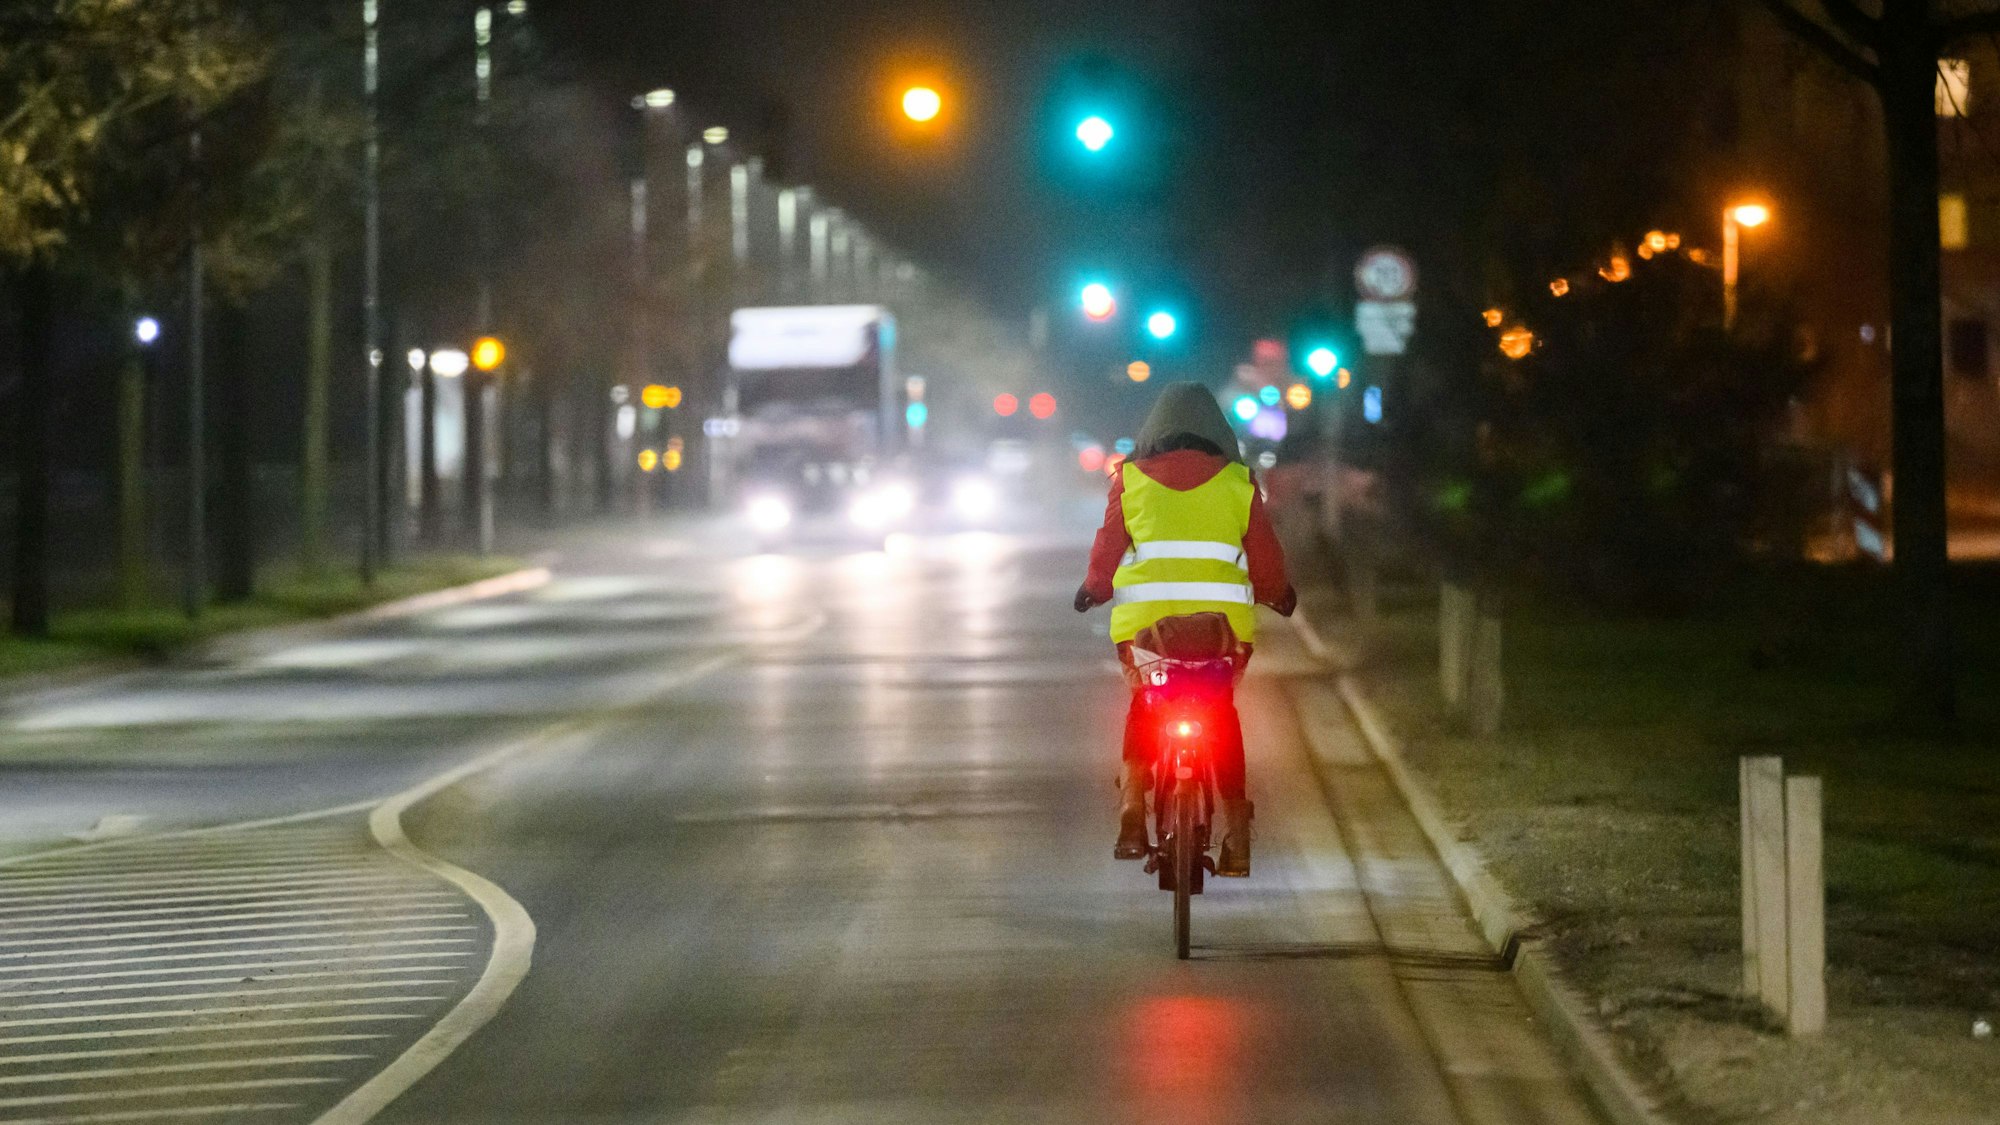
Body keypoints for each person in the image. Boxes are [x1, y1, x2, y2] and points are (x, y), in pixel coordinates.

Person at [1074, 382, 1295, 877]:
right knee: (1221, 712)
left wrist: (1093, 589)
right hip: (1223, 635)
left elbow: (1108, 549)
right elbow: (1264, 558)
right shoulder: (1239, 484)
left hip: (1146, 633)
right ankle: (1237, 834)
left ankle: (1133, 807)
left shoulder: (1130, 481)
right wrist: (1279, 594)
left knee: (1144, 704)